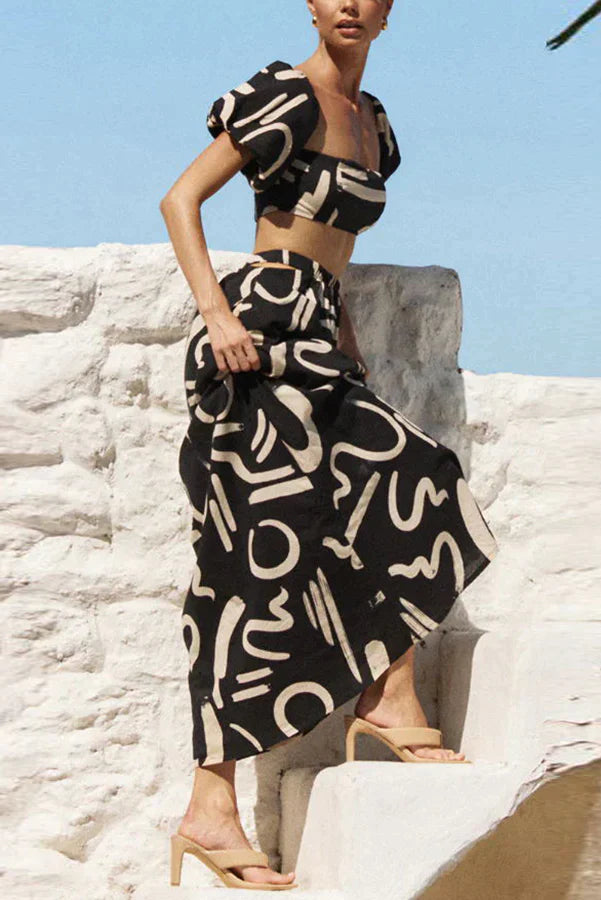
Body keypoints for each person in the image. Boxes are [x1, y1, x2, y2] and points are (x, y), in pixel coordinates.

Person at [160, 1, 499, 891]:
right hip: (255, 338)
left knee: (417, 482)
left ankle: (386, 697)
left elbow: (332, 244)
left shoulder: (373, 122)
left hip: (315, 339)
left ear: (388, 13)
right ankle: (209, 805)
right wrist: (217, 315)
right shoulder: (282, 95)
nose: (348, 2)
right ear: (311, 6)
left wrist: (341, 326)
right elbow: (180, 200)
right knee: (247, 566)